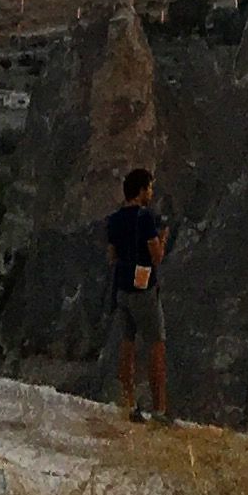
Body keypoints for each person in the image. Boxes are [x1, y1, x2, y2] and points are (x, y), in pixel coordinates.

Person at [103, 164, 170, 420]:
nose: (151, 193)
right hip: (144, 288)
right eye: (150, 188)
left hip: (122, 287)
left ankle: (128, 404)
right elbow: (157, 257)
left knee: (127, 344)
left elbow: (112, 255)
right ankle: (159, 410)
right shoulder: (145, 218)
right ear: (141, 190)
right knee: (156, 345)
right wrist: (163, 238)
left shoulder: (115, 219)